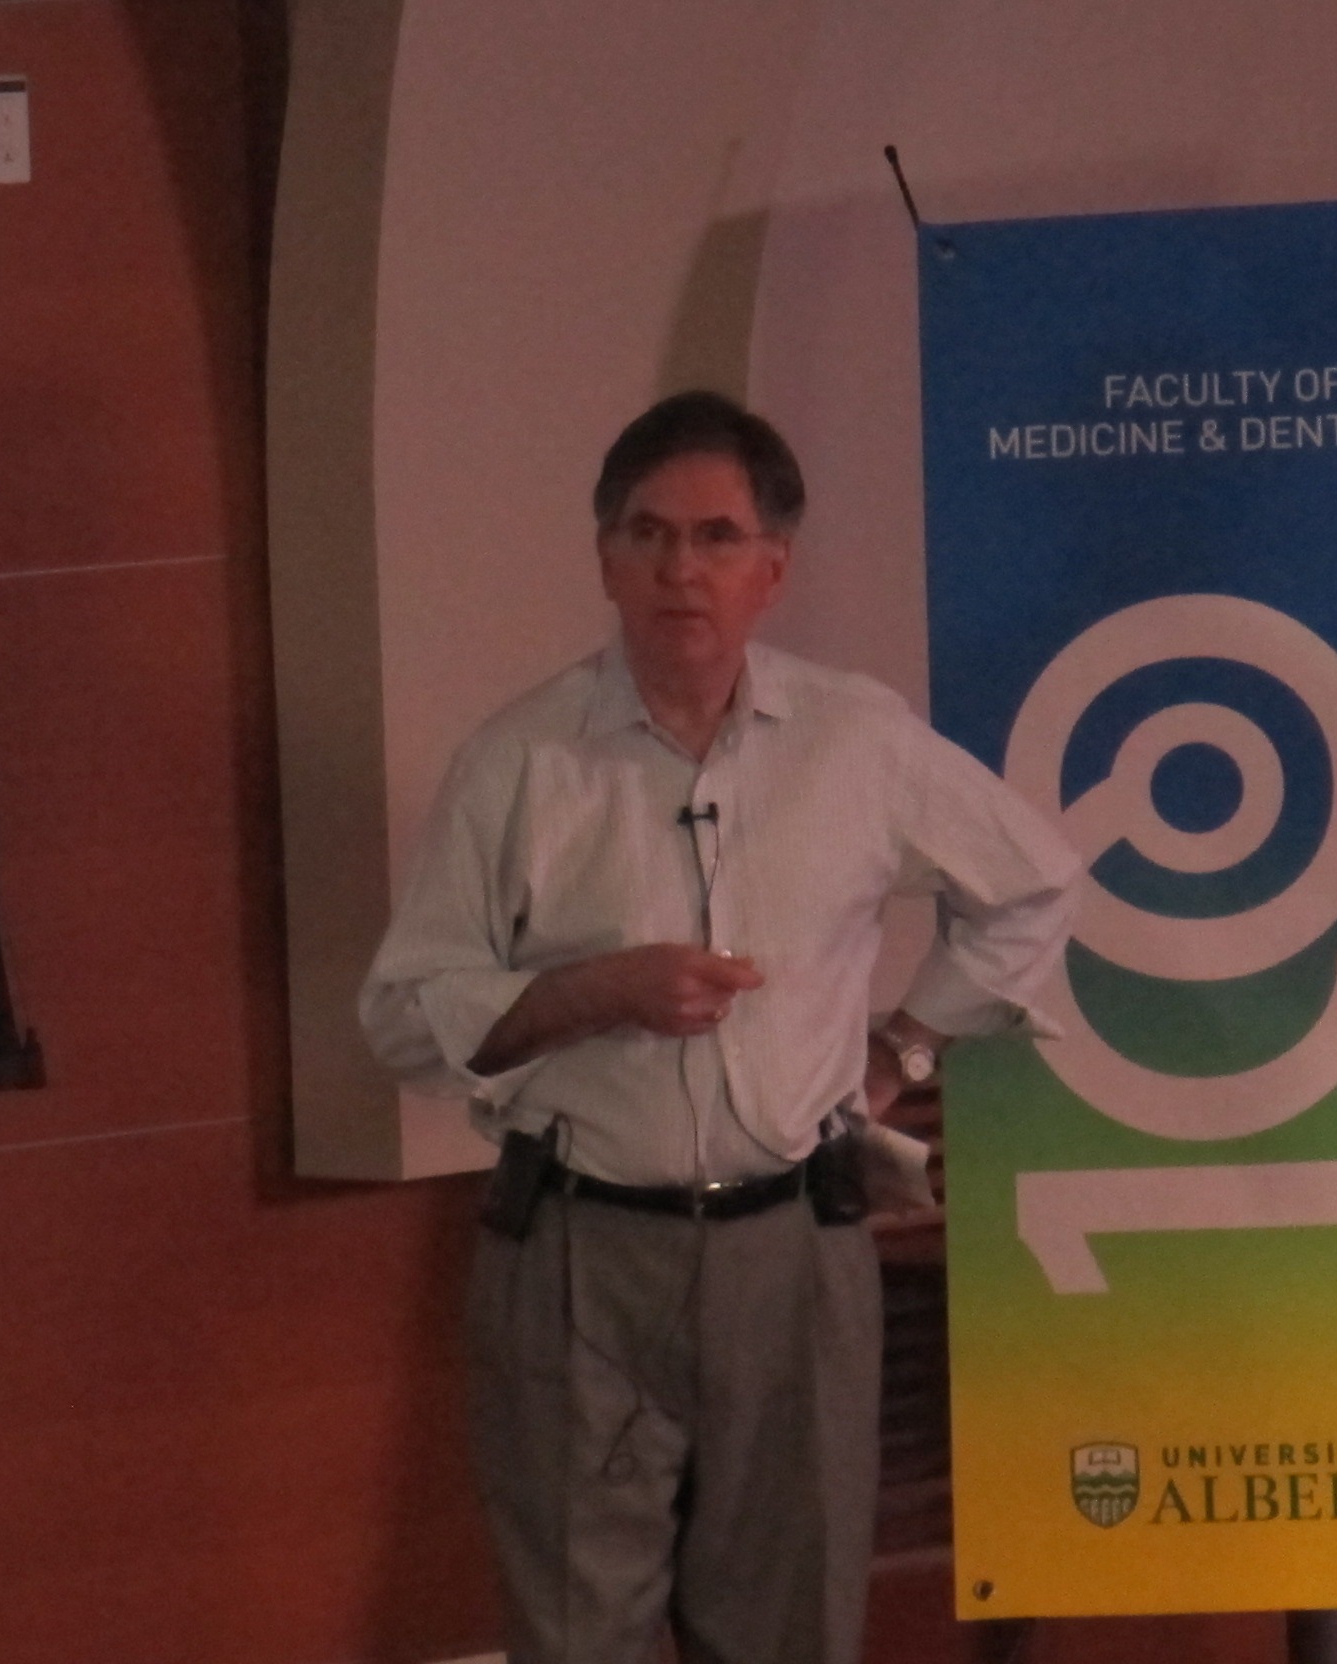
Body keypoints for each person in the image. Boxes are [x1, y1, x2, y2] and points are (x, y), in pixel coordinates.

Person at [357, 392, 1075, 1664]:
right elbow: (402, 1016)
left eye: (716, 537)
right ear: (604, 559)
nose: (680, 568)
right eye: (648, 535)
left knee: (790, 1628)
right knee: (580, 1632)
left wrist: (902, 1048)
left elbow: (1032, 883)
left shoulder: (855, 738)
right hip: (578, 1248)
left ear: (772, 570)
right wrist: (590, 992)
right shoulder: (519, 761)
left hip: (793, 1249)